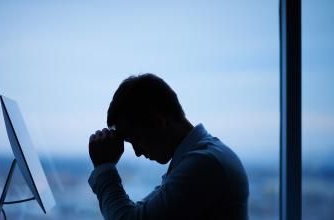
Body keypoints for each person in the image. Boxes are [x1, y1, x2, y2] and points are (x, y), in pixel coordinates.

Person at [88, 73, 249, 220]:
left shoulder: (204, 164)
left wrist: (104, 168)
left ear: (158, 122)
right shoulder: (203, 157)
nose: (137, 152)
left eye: (136, 139)